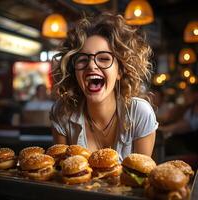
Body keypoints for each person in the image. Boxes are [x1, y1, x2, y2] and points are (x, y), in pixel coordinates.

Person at [50, 13, 158, 161]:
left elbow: (140, 177)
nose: (92, 66)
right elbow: (62, 175)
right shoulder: (62, 112)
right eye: (82, 59)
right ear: (74, 71)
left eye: (104, 58)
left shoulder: (139, 113)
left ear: (120, 71)